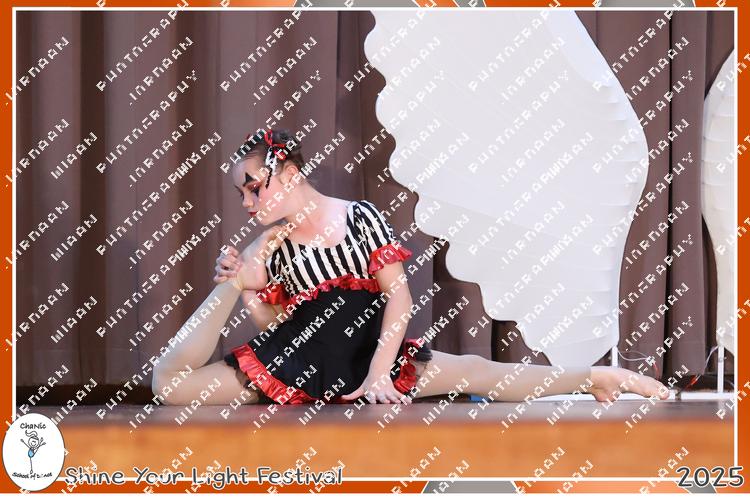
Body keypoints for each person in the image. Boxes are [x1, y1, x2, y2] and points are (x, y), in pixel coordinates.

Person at [151, 128, 670, 407]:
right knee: (168, 386)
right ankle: (229, 290)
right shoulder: (272, 245)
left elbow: (398, 296)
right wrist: (244, 289)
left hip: (372, 358)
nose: (247, 202)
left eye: (253, 187)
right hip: (301, 364)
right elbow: (280, 326)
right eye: (242, 194)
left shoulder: (358, 218)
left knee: (478, 371)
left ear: (287, 174)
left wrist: (380, 375)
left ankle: (597, 376)